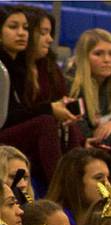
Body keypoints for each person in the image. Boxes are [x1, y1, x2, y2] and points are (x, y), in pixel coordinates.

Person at [0, 6, 78, 187]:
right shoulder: (3, 67)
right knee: (45, 122)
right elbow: (7, 117)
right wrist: (49, 109)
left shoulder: (18, 65)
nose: (21, 33)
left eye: (25, 28)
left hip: (11, 132)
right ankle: (60, 189)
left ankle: (76, 184)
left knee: (64, 124)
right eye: (13, 27)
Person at [24, 8, 84, 156]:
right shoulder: (12, 66)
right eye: (43, 33)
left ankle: (78, 163)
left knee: (68, 124)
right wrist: (51, 109)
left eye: (50, 33)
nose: (50, 40)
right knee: (47, 122)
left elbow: (61, 99)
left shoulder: (50, 66)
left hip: (47, 133)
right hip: (21, 132)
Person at [46, 147, 111, 225]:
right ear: (75, 181)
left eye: (108, 178)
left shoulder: (109, 219)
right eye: (99, 178)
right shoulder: (55, 224)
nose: (108, 186)